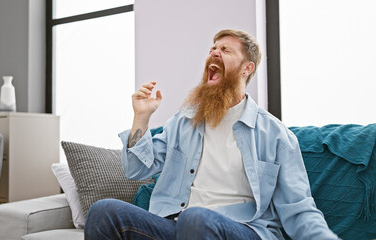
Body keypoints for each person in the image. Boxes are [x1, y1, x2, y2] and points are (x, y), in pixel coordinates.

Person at [84, 29, 340, 240]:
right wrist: (141, 116)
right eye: (212, 49)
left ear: (246, 68)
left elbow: (299, 210)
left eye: (226, 50)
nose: (214, 52)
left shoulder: (275, 135)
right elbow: (137, 169)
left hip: (243, 229)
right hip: (177, 226)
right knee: (104, 210)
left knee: (196, 218)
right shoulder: (184, 121)